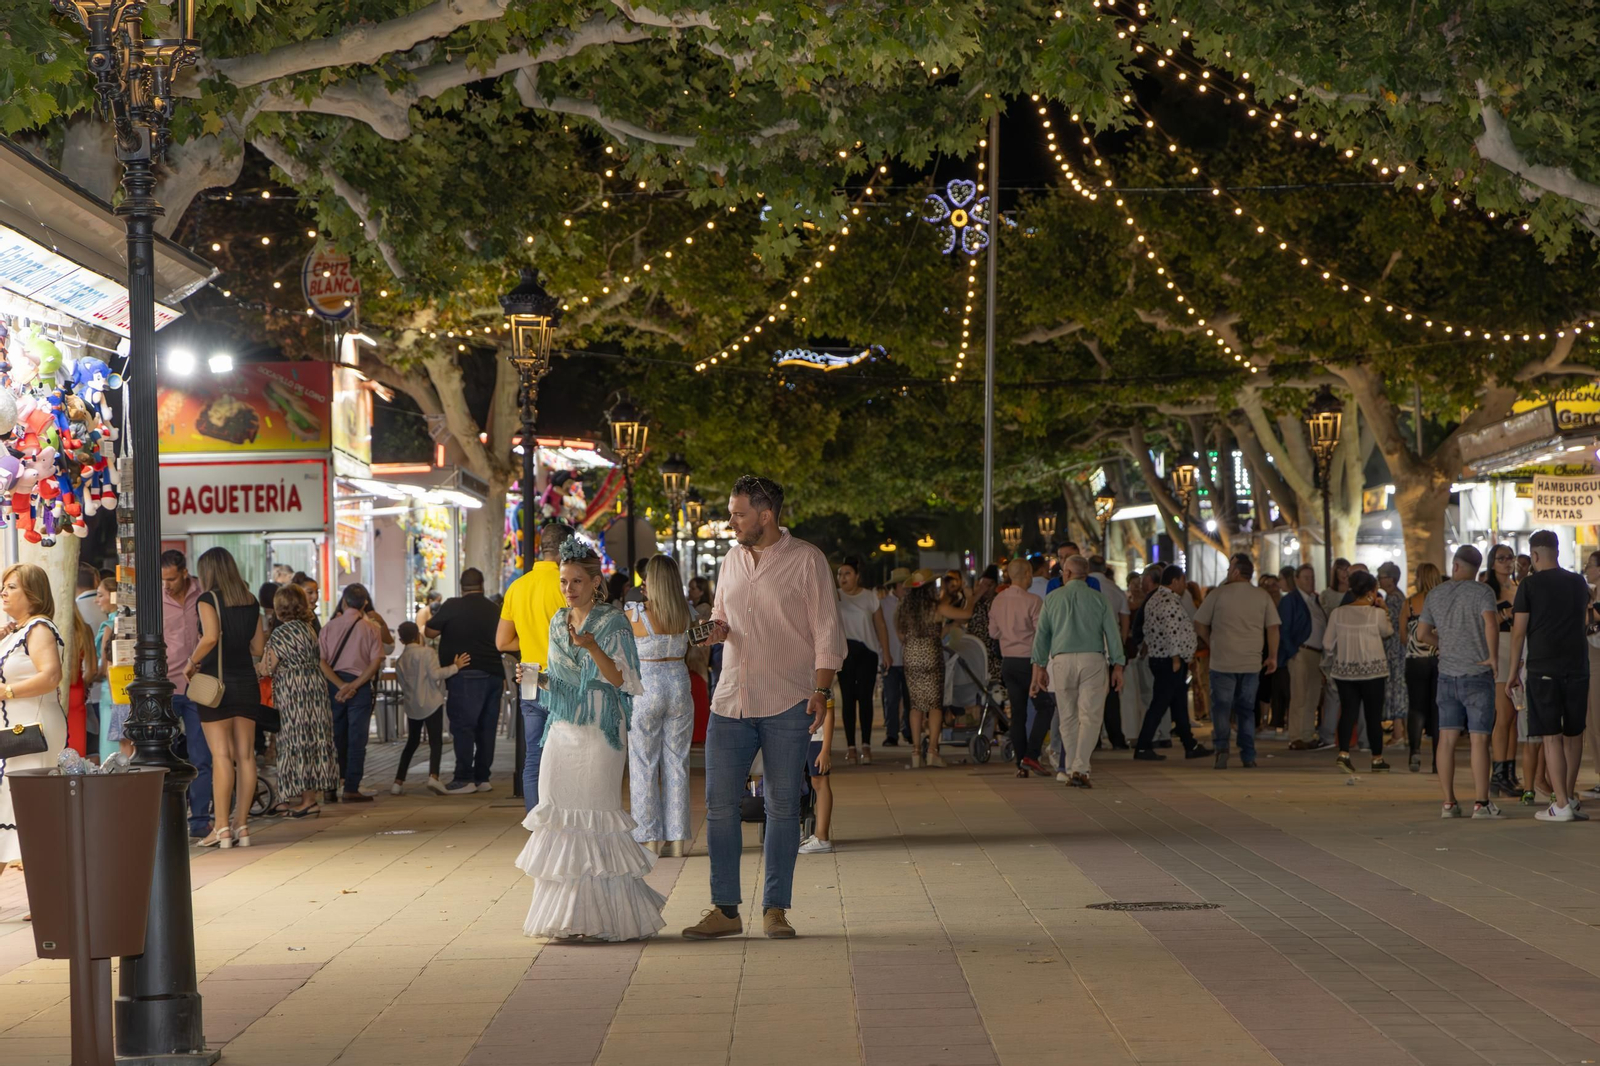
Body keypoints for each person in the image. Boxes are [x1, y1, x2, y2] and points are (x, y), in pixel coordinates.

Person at [682, 475, 844, 941]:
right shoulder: (732, 559)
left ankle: (775, 908)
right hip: (731, 699)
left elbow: (828, 632)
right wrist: (713, 630)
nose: (730, 521)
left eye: (738, 514)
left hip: (787, 701)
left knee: (781, 807)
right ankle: (726, 910)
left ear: (766, 515)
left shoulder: (808, 561)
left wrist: (821, 691)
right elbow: (723, 617)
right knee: (718, 807)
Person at [514, 537, 664, 942]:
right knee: (558, 815)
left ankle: (602, 920)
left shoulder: (613, 622)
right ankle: (566, 919)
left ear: (596, 582)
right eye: (564, 581)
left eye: (577, 581)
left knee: (596, 821)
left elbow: (624, 681)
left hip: (601, 732)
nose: (568, 589)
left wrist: (592, 646)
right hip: (563, 730)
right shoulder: (555, 622)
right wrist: (536, 678)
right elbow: (560, 684)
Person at [184, 547, 267, 848]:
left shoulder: (208, 600)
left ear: (208, 572)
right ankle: (242, 826)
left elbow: (210, 637)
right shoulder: (251, 601)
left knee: (221, 756)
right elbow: (257, 649)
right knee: (245, 756)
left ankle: (221, 828)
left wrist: (191, 662)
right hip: (246, 683)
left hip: (214, 685)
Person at [1507, 529, 1592, 822]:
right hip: (1578, 665)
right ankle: (1567, 797)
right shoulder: (1578, 583)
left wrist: (1512, 672)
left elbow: (1518, 633)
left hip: (1544, 666)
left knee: (1551, 736)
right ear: (1557, 551)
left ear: (1534, 555)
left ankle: (1561, 804)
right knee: (1573, 734)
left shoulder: (1529, 586)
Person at [1416, 545, 1500, 818]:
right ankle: (1481, 803)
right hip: (1477, 674)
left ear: (1455, 566)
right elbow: (1490, 622)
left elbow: (1422, 634)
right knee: (1479, 740)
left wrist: (1445, 645)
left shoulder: (1435, 594)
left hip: (1446, 676)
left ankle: (1449, 803)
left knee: (1447, 740)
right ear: (1476, 570)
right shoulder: (1482, 592)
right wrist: (1493, 657)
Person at [1030, 555, 1125, 788]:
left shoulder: (1052, 599)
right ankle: (1080, 767)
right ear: (1086, 574)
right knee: (1090, 717)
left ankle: (1072, 766)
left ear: (1068, 573)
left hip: (1061, 661)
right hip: (1093, 660)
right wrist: (1118, 666)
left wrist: (1039, 667)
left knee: (1067, 718)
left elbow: (1041, 636)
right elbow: (1113, 635)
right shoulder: (1099, 599)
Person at [498, 521, 573, 812]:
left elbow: (503, 642)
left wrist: (530, 638)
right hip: (562, 677)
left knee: (534, 757)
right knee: (565, 755)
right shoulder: (568, 585)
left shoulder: (517, 586)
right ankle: (561, 820)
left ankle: (536, 824)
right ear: (567, 549)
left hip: (528, 673)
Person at [0, 564, 66, 882]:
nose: (3, 592)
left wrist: (6, 691)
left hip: (31, 732)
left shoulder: (39, 628)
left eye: (12, 586)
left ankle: (49, 895)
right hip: (14, 732)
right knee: (11, 805)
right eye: (4, 586)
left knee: (30, 810)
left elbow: (51, 675)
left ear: (32, 594)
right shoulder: (17, 632)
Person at [627, 554, 694, 857]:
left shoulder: (636, 614)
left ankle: (649, 836)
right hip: (680, 684)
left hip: (647, 687)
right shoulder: (686, 613)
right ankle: (677, 840)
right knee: (677, 762)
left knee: (644, 763)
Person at [258, 585, 341, 816]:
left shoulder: (281, 633)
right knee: (311, 742)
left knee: (292, 742)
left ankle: (299, 800)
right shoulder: (308, 629)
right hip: (314, 690)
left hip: (293, 693)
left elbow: (267, 667)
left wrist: (253, 668)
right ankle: (302, 797)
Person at [1194, 553, 1279, 770]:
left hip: (1222, 661)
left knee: (1221, 708)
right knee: (1246, 709)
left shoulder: (1218, 594)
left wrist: (1212, 640)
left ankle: (1222, 749)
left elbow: (1200, 623)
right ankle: (1248, 754)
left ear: (1235, 571)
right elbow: (1273, 628)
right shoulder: (1262, 596)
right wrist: (1272, 656)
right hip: (1251, 663)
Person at [426, 568, 505, 795]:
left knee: (463, 726)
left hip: (467, 675)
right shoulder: (494, 609)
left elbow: (429, 631)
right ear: (482, 585)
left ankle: (463, 778)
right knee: (486, 728)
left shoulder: (452, 605)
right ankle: (482, 778)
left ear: (461, 586)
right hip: (494, 674)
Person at [1134, 565, 1211, 760]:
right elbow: (1172, 632)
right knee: (1159, 704)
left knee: (1178, 704)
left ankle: (1189, 744)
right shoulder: (1168, 602)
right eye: (1183, 580)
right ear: (1175, 581)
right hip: (1169, 661)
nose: (1185, 585)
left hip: (1162, 658)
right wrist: (1177, 658)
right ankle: (1143, 746)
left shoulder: (1155, 599)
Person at [319, 584, 385, 803]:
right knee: (357, 739)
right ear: (365, 603)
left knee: (335, 738)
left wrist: (340, 685)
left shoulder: (329, 627)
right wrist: (354, 685)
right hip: (360, 687)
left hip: (334, 687)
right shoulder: (371, 629)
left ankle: (330, 786)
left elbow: (321, 661)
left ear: (344, 602)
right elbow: (375, 662)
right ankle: (351, 788)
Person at [1325, 571, 1394, 775]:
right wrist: (1384, 608)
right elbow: (1388, 632)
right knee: (1373, 716)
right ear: (1372, 591)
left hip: (1345, 670)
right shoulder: (1377, 614)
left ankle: (1344, 753)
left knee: (1348, 712)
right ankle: (1377, 758)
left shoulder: (1337, 613)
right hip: (1373, 670)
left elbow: (1327, 643)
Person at [162, 550, 210, 838]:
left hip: (198, 687)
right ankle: (167, 820)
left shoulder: (203, 595)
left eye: (171, 579)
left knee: (200, 755)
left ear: (184, 573)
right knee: (164, 758)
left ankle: (200, 820)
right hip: (166, 686)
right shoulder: (155, 599)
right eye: (163, 579)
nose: (166, 585)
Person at [392, 620, 467, 796]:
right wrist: (455, 667)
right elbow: (435, 674)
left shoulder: (401, 660)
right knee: (435, 741)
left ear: (401, 640)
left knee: (412, 742)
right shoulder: (427, 652)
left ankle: (398, 782)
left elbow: (402, 684)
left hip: (412, 705)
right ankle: (434, 776)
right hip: (431, 702)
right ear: (418, 635)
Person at [991, 557, 1052, 777]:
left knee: (1018, 714)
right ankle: (1031, 755)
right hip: (1029, 660)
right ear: (1027, 574)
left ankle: (1020, 764)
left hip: (1008, 662)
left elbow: (993, 633)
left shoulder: (998, 600)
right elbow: (1041, 635)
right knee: (1045, 707)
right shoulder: (1033, 601)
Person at [835, 556, 890, 765]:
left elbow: (881, 626)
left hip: (868, 652)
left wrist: (886, 652)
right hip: (845, 653)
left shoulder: (870, 597)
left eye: (847, 573)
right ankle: (851, 747)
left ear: (857, 576)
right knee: (848, 699)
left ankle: (866, 746)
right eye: (840, 574)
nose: (843, 577)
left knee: (865, 699)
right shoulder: (835, 597)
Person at [1483, 545, 1523, 798]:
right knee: (1504, 715)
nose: (1507, 562)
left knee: (1514, 718)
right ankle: (1498, 774)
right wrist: (1506, 613)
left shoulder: (1519, 587)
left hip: (1518, 651)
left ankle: (1508, 771)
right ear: (1492, 562)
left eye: (1511, 557)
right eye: (1502, 559)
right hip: (1499, 649)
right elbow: (1483, 621)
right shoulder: (1487, 590)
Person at [897, 573, 946, 769]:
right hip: (931, 653)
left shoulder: (903, 608)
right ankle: (933, 751)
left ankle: (916, 752)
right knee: (934, 704)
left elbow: (901, 635)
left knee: (915, 705)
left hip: (911, 654)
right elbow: (966, 613)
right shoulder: (936, 607)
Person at [1400, 563, 1443, 773]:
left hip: (1415, 660)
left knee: (1416, 708)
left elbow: (1402, 636)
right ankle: (1438, 760)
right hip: (1439, 659)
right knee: (1437, 710)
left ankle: (1415, 753)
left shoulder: (1409, 603)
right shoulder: (1443, 601)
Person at [1286, 565, 1329, 750]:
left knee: (1312, 695)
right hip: (1301, 651)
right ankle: (1296, 736)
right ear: (1296, 580)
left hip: (1316, 652)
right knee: (1299, 695)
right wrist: (1292, 652)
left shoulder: (1315, 600)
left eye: (1312, 577)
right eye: (1305, 578)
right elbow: (1283, 628)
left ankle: (1307, 733)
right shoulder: (1291, 600)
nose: (1310, 581)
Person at [93, 576, 129, 762]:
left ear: (114, 597)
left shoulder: (109, 625)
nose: (96, 600)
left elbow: (105, 664)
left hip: (111, 690)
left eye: (100, 595)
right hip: (126, 688)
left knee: (112, 746)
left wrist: (93, 677)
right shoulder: (130, 621)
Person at [799, 691, 836, 855]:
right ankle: (794, 831)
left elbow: (829, 714)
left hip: (817, 738)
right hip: (793, 735)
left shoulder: (821, 678)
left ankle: (822, 837)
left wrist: (825, 750)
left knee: (819, 781)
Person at [878, 568, 909, 747]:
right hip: (889, 658)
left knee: (909, 698)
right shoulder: (883, 604)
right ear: (898, 585)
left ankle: (908, 730)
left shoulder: (910, 604)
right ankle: (892, 733)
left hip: (909, 658)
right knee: (891, 697)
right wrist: (883, 653)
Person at [1376, 562, 1407, 734]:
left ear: (1390, 579)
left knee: (1396, 688)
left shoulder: (1394, 598)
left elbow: (1393, 624)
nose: (1379, 580)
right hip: (1396, 649)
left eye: (1381, 577)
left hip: (1395, 650)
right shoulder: (1396, 596)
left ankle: (1398, 732)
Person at [967, 565, 1003, 690]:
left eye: (990, 585)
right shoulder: (972, 601)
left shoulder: (999, 600)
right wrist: (977, 594)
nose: (986, 589)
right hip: (974, 652)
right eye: (984, 584)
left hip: (992, 653)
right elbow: (964, 616)